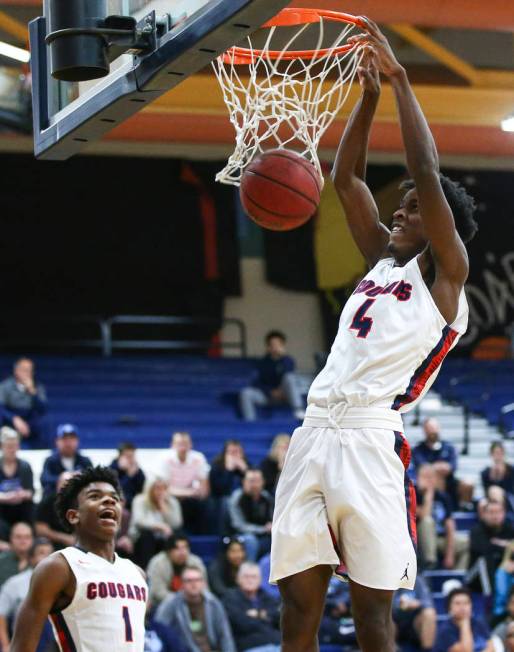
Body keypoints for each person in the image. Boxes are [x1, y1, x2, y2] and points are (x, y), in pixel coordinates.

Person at [270, 18, 478, 652]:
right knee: (299, 606)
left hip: (369, 441)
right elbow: (347, 181)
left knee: (371, 619)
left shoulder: (446, 277)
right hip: (313, 432)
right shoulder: (380, 264)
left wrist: (400, 81)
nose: (399, 210)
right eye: (403, 203)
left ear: (441, 225)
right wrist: (365, 100)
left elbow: (423, 163)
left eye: (414, 207)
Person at [10, 466, 148, 652]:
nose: (108, 500)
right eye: (95, 496)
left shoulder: (137, 573)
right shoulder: (59, 567)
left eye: (114, 498)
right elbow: (21, 647)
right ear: (74, 516)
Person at [155, 565, 236, 652]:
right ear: (181, 584)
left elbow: (225, 635)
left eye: (197, 580)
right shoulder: (171, 604)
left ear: (203, 583)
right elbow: (159, 632)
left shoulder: (213, 603)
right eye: (189, 581)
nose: (194, 584)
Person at [0, 537, 54, 651]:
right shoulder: (15, 583)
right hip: (25, 643)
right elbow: (1, 614)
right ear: (31, 558)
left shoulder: (64, 582)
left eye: (50, 553)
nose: (47, 558)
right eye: (41, 553)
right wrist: (5, 645)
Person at [239, 331, 305, 422]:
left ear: (283, 346)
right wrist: (270, 391)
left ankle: (298, 410)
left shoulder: (288, 360)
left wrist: (283, 357)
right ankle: (250, 423)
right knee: (246, 393)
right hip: (269, 396)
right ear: (268, 347)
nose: (275, 347)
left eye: (278, 344)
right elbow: (256, 383)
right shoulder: (263, 363)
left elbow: (289, 374)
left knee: (289, 377)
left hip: (285, 395)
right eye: (272, 345)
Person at [415, 463, 469, 570]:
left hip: (439, 539)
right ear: (418, 478)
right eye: (425, 477)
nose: (428, 480)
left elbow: (449, 525)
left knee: (466, 542)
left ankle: (457, 578)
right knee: (427, 521)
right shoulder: (413, 494)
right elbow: (424, 515)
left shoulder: (443, 497)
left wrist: (449, 554)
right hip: (418, 540)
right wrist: (428, 495)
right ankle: (430, 562)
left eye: (431, 477)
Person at [412, 417, 473, 510]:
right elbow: (423, 467)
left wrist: (434, 467)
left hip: (449, 481)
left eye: (434, 428)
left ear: (439, 428)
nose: (432, 431)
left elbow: (453, 466)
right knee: (433, 479)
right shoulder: (418, 449)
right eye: (429, 428)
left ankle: (463, 509)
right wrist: (439, 468)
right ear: (424, 430)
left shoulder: (449, 447)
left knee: (468, 484)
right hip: (429, 484)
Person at [160, 431, 210, 534]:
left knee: (204, 504)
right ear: (172, 445)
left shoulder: (198, 458)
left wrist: (198, 493)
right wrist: (189, 492)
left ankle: (200, 535)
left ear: (191, 445)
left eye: (185, 443)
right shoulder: (164, 459)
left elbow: (204, 486)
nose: (182, 447)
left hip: (190, 498)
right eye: (179, 444)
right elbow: (163, 489)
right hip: (170, 497)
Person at [223, 562, 281, 652]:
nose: (250, 580)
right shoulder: (230, 597)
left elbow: (278, 617)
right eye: (246, 577)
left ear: (260, 580)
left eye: (254, 577)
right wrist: (265, 617)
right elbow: (241, 623)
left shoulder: (266, 596)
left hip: (276, 643)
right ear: (238, 579)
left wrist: (257, 614)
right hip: (250, 646)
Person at [129, 476, 183, 569]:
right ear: (149, 488)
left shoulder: (172, 502)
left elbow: (176, 523)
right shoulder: (140, 500)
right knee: (147, 536)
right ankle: (145, 570)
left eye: (164, 488)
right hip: (142, 537)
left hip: (164, 537)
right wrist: (160, 526)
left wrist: (163, 507)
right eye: (157, 488)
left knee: (177, 537)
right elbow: (139, 521)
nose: (161, 491)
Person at [146, 534, 206, 607]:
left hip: (192, 602)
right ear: (168, 551)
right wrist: (182, 600)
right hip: (161, 604)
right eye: (177, 548)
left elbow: (204, 588)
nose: (182, 552)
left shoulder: (196, 562)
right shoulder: (157, 563)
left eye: (185, 547)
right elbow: (158, 592)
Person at [0, 358, 48, 448]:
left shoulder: (38, 388)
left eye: (30, 370)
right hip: (10, 421)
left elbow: (43, 409)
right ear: (16, 371)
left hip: (30, 422)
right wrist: (14, 418)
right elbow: (1, 408)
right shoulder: (5, 386)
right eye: (24, 370)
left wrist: (33, 393)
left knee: (44, 424)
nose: (27, 373)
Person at [469, 500, 514, 592]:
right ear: (484, 514)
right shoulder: (477, 530)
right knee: (485, 560)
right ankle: (490, 597)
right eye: (491, 512)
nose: (495, 516)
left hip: (503, 571)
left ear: (504, 513)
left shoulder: (509, 528)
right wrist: (506, 545)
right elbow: (483, 550)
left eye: (498, 512)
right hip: (476, 576)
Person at [229, 469, 274, 561]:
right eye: (251, 481)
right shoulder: (237, 498)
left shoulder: (266, 498)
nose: (254, 485)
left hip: (264, 535)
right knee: (250, 540)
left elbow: (273, 519)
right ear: (243, 482)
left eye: (257, 481)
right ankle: (250, 568)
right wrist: (263, 529)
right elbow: (239, 526)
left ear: (263, 482)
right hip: (239, 535)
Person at [433, 587, 493, 652]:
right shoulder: (445, 630)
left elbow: (491, 648)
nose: (462, 607)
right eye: (457, 603)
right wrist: (465, 623)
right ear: (449, 607)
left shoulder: (479, 623)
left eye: (466, 603)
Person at [40, 424, 93, 497]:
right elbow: (44, 479)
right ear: (57, 441)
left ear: (77, 441)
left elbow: (92, 480)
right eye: (64, 439)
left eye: (71, 439)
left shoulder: (85, 461)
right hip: (54, 500)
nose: (68, 443)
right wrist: (61, 478)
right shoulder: (50, 461)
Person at [0, 427, 34, 538]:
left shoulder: (25, 466)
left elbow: (30, 492)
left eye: (15, 446)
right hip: (2, 509)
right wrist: (5, 497)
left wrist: (23, 494)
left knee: (30, 509)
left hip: (21, 508)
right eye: (9, 446)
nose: (12, 450)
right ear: (2, 447)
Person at [210, 440, 248, 533]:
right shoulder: (217, 466)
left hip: (244, 498)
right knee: (226, 502)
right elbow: (219, 489)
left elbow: (256, 486)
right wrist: (229, 471)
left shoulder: (246, 465)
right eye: (231, 452)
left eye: (237, 452)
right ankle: (225, 534)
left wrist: (245, 471)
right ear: (225, 453)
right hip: (222, 498)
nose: (235, 456)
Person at [392, 575, 436, 652]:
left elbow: (428, 603)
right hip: (395, 622)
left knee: (429, 613)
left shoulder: (417, 580)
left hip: (414, 623)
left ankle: (427, 650)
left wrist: (415, 604)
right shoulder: (387, 581)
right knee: (385, 617)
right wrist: (398, 605)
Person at [35, 471, 77, 550]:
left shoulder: (80, 503)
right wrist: (65, 538)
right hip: (52, 544)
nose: (67, 488)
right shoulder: (47, 502)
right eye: (64, 484)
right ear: (58, 485)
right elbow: (40, 529)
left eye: (70, 484)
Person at [109, 442, 146, 511]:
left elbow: (143, 488)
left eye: (133, 456)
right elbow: (117, 490)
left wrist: (137, 473)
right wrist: (129, 476)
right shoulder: (112, 469)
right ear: (120, 456)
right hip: (119, 502)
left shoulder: (136, 470)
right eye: (128, 456)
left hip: (134, 503)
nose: (131, 459)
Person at [0, 522, 33, 588]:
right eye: (18, 537)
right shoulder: (1, 560)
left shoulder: (38, 561)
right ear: (11, 538)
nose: (23, 541)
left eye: (27, 537)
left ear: (32, 539)